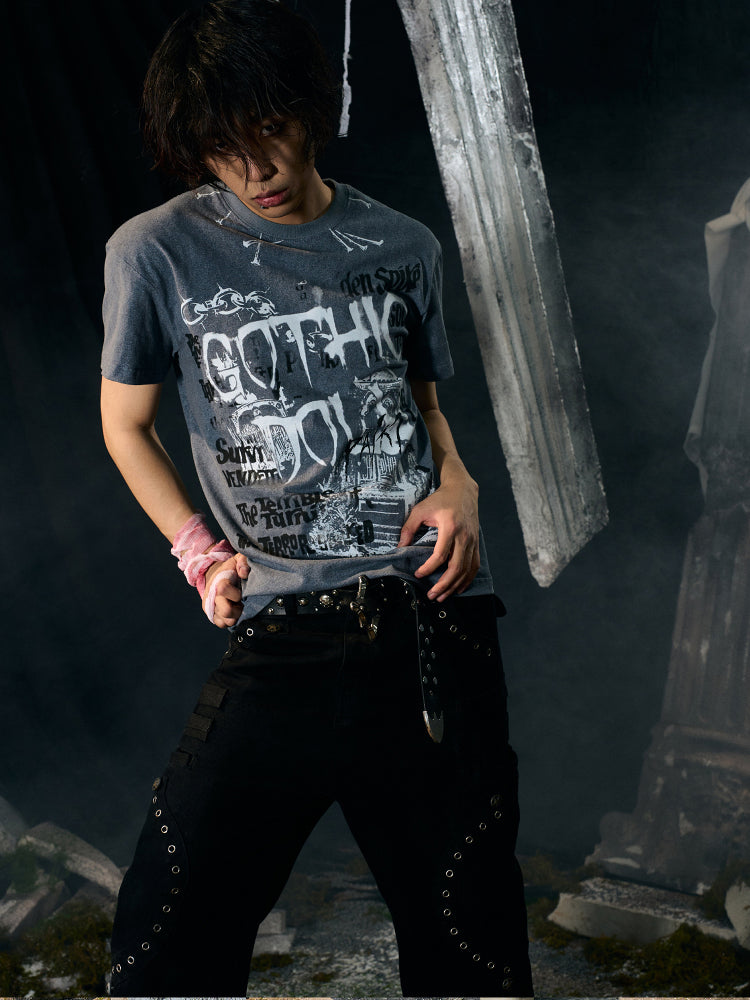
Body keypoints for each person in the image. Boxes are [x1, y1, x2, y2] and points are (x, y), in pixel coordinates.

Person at [100, 1, 533, 995]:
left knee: (468, 935)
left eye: (270, 129)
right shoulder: (156, 251)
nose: (255, 167)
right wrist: (198, 552)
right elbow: (126, 425)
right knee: (168, 921)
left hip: (431, 616)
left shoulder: (402, 244)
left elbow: (424, 409)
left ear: (311, 109)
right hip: (288, 624)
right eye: (222, 148)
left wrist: (461, 485)